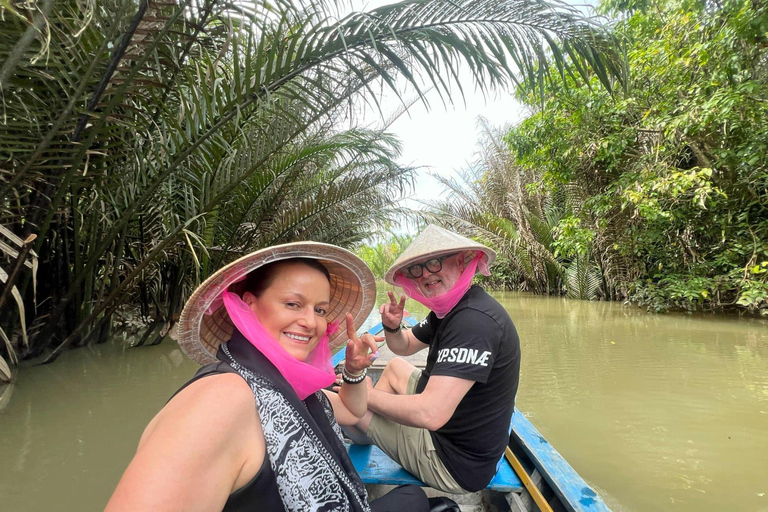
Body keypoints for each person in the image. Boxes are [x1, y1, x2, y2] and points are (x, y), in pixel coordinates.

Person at [105, 242, 433, 512]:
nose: (310, 322)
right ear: (249, 304)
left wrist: (354, 370)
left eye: (319, 310)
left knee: (417, 499)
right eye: (293, 304)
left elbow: (352, 409)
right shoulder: (219, 399)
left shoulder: (290, 389)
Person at [352, 225, 521, 494]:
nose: (425, 275)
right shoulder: (451, 308)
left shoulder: (473, 323)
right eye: (416, 269)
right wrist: (392, 326)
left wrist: (364, 395)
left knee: (344, 398)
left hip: (454, 464)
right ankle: (368, 425)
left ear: (461, 260)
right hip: (460, 429)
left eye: (433, 262)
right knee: (394, 368)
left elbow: (430, 414)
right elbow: (404, 347)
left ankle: (363, 421)